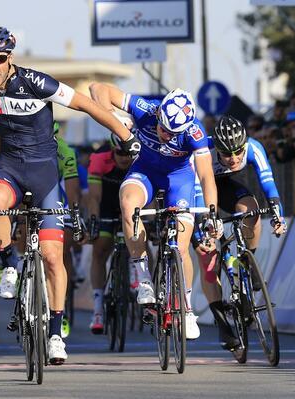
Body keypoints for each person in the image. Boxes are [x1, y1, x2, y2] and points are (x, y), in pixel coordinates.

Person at [0, 26, 135, 364]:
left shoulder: (37, 83)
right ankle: (10, 263)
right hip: (10, 169)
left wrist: (125, 134)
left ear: (10, 58)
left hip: (45, 174)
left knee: (52, 256)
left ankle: (54, 333)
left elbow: (86, 106)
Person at [89, 83, 221, 341]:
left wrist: (212, 212)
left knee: (181, 246)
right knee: (128, 203)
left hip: (179, 180)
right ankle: (143, 277)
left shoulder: (194, 132)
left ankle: (187, 309)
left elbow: (206, 175)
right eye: (163, 128)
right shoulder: (145, 109)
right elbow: (97, 88)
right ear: (159, 114)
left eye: (174, 134)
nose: (166, 135)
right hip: (145, 172)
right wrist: (113, 119)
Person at [192, 115, 287, 350]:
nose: (233, 159)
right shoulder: (204, 152)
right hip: (199, 189)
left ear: (245, 144)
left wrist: (278, 215)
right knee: (209, 258)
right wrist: (206, 222)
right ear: (218, 150)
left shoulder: (254, 147)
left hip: (224, 186)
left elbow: (269, 185)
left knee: (251, 210)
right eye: (226, 154)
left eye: (238, 152)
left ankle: (247, 260)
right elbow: (196, 192)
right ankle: (223, 325)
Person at [85, 134, 134, 334]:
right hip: (106, 203)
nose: (124, 157)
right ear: (113, 150)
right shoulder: (99, 158)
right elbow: (94, 197)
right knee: (100, 248)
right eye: (120, 153)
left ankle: (139, 280)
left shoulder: (139, 159)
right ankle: (97, 309)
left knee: (140, 239)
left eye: (128, 153)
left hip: (130, 203)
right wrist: (95, 221)